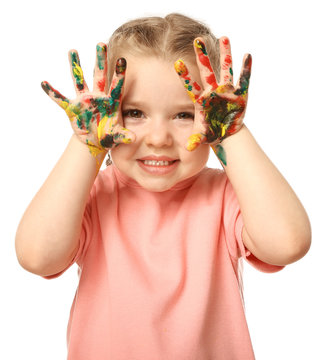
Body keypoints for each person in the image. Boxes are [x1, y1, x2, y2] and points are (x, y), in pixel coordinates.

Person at [15, 13, 311, 360]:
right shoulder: (94, 195)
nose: (158, 139)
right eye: (134, 113)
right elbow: (36, 257)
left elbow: (288, 244)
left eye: (185, 114)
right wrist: (86, 146)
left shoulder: (225, 196)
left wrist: (233, 134)